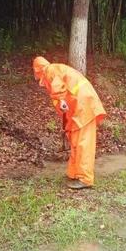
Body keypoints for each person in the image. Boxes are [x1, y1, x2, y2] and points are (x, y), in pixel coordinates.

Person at [33, 56, 106, 189]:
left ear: (39, 70)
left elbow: (58, 88)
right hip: (81, 106)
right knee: (76, 141)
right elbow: (65, 98)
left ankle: (85, 179)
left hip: (84, 106)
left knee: (83, 143)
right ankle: (74, 173)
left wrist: (60, 100)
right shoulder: (56, 69)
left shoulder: (50, 69)